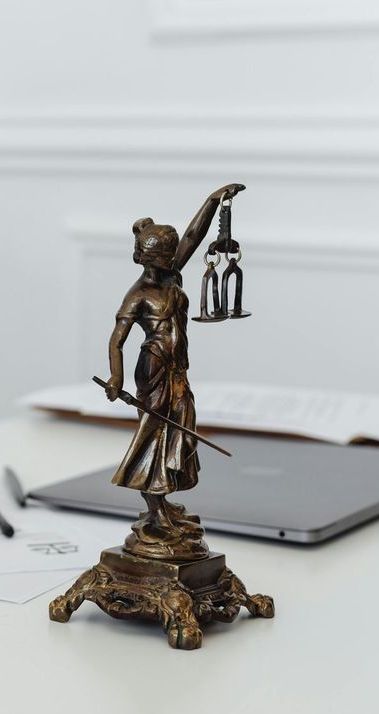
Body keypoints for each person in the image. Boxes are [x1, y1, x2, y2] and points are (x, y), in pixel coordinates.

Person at [103, 182, 245, 560]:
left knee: (181, 435)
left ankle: (163, 509)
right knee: (155, 438)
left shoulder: (170, 275)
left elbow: (194, 238)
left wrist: (212, 202)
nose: (177, 259)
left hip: (178, 370)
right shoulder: (138, 295)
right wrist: (115, 378)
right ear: (153, 259)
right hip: (152, 371)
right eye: (169, 256)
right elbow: (117, 340)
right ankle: (155, 513)